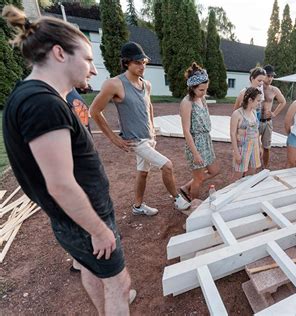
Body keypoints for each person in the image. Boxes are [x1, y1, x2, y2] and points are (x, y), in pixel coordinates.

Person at [2, 6, 131, 314]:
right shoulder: (43, 104)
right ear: (60, 53)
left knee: (91, 270)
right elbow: (60, 184)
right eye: (87, 59)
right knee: (119, 285)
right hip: (83, 218)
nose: (94, 69)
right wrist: (99, 230)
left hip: (71, 219)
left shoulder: (31, 96)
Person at [90, 42, 190, 216]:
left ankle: (138, 206)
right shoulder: (114, 84)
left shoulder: (147, 85)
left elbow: (149, 106)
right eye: (137, 62)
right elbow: (94, 111)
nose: (142, 66)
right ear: (127, 62)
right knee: (167, 165)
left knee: (143, 173)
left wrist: (152, 130)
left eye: (143, 62)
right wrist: (114, 139)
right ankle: (177, 199)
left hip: (148, 138)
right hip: (135, 140)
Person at [179, 63, 220, 200]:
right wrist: (196, 153)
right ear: (192, 87)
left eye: (206, 89)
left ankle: (186, 187)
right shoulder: (186, 103)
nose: (204, 93)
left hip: (206, 141)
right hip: (196, 143)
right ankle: (194, 204)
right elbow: (186, 131)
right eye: (201, 90)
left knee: (214, 171)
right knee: (199, 179)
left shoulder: (202, 99)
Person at [230, 87, 262, 180]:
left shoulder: (254, 112)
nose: (260, 103)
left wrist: (259, 146)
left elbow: (257, 131)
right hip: (242, 147)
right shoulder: (237, 114)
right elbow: (232, 134)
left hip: (254, 145)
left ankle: (245, 193)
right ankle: (233, 193)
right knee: (238, 175)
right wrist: (236, 153)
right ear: (250, 100)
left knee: (252, 172)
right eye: (258, 101)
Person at [260, 64, 287, 168]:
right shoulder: (257, 87)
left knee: (266, 147)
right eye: (268, 76)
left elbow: (283, 102)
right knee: (253, 146)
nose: (270, 78)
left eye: (272, 76)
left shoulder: (274, 89)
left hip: (267, 121)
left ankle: (265, 168)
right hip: (256, 121)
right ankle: (250, 168)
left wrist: (274, 113)